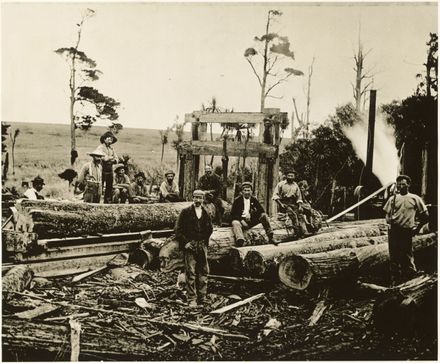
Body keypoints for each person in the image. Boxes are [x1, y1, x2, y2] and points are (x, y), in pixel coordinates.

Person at [383, 174, 429, 286]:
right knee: (394, 256)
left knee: (407, 256)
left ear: (408, 185)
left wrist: (417, 229)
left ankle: (411, 281)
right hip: (394, 231)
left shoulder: (415, 198)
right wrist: (389, 223)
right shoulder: (392, 199)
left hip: (406, 231)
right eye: (399, 184)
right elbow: (387, 214)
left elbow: (426, 215)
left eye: (403, 184)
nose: (400, 186)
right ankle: (395, 282)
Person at [175, 190, 213, 308]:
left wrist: (204, 242)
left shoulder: (205, 213)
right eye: (195, 197)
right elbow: (178, 230)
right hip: (190, 245)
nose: (197, 200)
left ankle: (202, 297)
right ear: (192, 198)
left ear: (203, 199)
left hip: (201, 245)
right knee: (190, 272)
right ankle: (192, 298)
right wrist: (186, 242)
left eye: (200, 198)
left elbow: (210, 229)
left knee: (203, 271)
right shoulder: (185, 212)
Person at [231, 181, 276, 247]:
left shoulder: (254, 200)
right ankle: (240, 240)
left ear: (251, 191)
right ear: (242, 192)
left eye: (248, 190)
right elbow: (233, 214)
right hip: (241, 221)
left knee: (264, 215)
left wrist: (251, 214)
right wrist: (241, 220)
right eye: (245, 190)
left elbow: (261, 211)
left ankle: (271, 237)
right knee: (235, 222)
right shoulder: (237, 200)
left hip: (251, 221)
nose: (247, 192)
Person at [272, 169, 308, 237]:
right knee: (293, 215)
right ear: (286, 176)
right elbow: (275, 195)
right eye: (289, 176)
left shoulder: (295, 185)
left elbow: (299, 197)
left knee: (300, 214)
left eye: (292, 176)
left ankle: (304, 231)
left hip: (293, 203)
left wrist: (300, 206)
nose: (290, 177)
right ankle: (297, 233)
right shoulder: (281, 184)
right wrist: (281, 204)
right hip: (284, 203)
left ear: (294, 177)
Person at [96, 131, 119, 204]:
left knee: (109, 185)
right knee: (100, 185)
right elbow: (103, 158)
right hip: (102, 168)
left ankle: (107, 201)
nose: (110, 140)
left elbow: (116, 159)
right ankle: (98, 200)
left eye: (111, 139)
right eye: (109, 138)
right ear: (104, 139)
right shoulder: (100, 147)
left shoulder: (112, 148)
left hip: (110, 169)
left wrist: (112, 159)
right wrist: (111, 158)